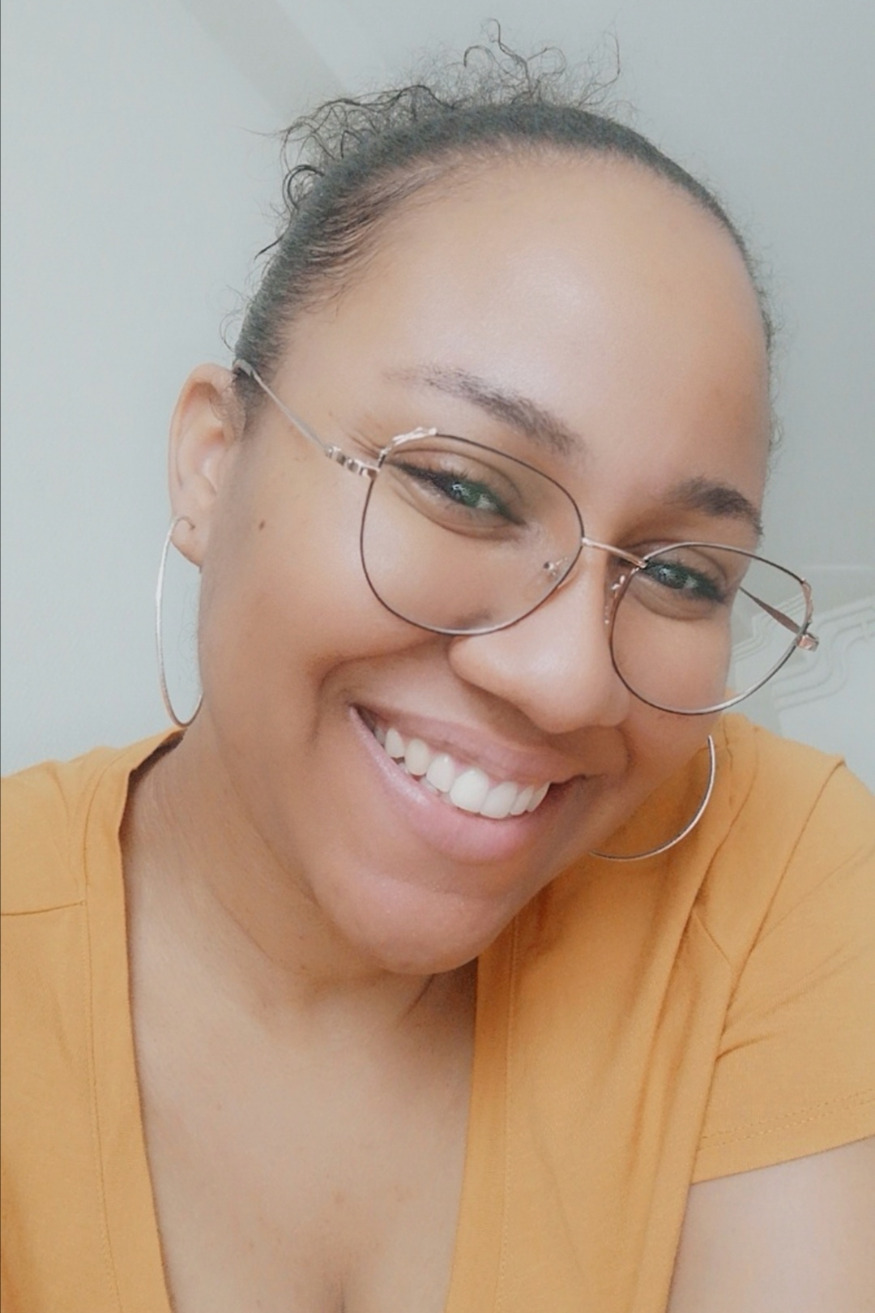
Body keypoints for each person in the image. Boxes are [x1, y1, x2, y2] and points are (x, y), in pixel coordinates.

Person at [2, 38, 873, 1313]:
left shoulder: (766, 866)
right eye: (461, 487)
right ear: (211, 462)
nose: (567, 681)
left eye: (682, 574)